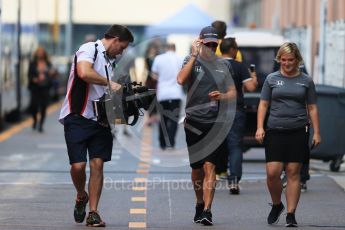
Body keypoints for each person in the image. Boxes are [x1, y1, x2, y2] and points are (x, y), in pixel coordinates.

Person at [59, 24, 134, 227]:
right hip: (78, 115)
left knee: (97, 164)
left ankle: (93, 212)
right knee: (78, 166)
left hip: (101, 120)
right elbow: (84, 72)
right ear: (115, 40)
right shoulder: (89, 49)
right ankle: (81, 194)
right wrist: (109, 84)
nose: (123, 51)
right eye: (123, 46)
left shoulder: (112, 62)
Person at [255, 42, 321, 227]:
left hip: (299, 131)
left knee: (293, 172)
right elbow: (263, 104)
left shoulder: (306, 81)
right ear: (279, 60)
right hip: (275, 130)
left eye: (290, 60)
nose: (286, 63)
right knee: (272, 173)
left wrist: (317, 132)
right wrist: (260, 127)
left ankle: (291, 214)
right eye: (283, 60)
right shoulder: (271, 79)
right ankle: (277, 205)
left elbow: (313, 107)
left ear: (297, 60)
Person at [177, 26, 236, 226]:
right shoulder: (190, 60)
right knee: (197, 170)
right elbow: (180, 80)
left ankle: (208, 211)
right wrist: (194, 55)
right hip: (194, 121)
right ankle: (199, 202)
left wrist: (223, 96)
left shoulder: (223, 65)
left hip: (216, 123)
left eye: (214, 44)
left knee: (210, 166)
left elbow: (232, 92)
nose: (210, 47)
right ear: (200, 41)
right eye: (207, 43)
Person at [220, 37, 258, 194]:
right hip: (235, 109)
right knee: (235, 145)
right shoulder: (239, 66)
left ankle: (213, 174)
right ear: (233, 50)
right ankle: (234, 180)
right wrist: (253, 76)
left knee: (217, 144)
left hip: (216, 110)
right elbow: (250, 87)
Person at [151, 43, 184, 150]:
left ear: (166, 48)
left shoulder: (158, 58)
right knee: (174, 119)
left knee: (163, 119)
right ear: (175, 48)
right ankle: (171, 142)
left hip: (163, 94)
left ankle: (162, 143)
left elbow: (154, 75)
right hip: (176, 93)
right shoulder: (181, 59)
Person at [28, 46, 57, 132]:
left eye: (42, 52)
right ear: (36, 54)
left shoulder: (48, 63)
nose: (40, 54)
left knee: (44, 106)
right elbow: (29, 75)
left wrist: (51, 74)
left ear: (44, 54)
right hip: (35, 88)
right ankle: (35, 120)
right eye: (39, 52)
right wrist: (35, 79)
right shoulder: (32, 63)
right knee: (33, 106)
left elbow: (53, 73)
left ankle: (41, 125)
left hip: (45, 88)